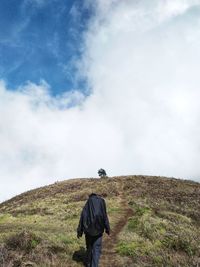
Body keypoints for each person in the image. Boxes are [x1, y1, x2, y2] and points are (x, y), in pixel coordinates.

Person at [77, 193, 110, 267]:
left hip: (88, 231)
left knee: (89, 247)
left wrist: (80, 231)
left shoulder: (88, 203)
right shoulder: (102, 202)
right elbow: (105, 216)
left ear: (90, 196)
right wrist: (107, 229)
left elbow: (83, 217)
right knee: (96, 249)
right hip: (99, 231)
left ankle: (88, 264)